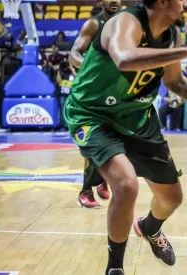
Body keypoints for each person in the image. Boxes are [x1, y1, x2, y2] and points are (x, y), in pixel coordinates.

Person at [64, 0, 187, 274]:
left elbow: (175, 82)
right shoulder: (125, 22)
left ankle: (149, 227)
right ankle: (114, 268)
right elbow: (124, 58)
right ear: (164, 2)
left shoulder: (171, 36)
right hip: (93, 114)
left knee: (171, 198)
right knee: (126, 185)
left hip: (138, 116)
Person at [69, 0, 122, 208]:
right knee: (93, 139)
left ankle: (101, 180)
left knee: (116, 140)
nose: (114, 0)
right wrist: (92, 69)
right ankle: (85, 191)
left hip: (115, 91)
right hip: (92, 95)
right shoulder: (93, 24)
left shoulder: (126, 24)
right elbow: (74, 54)